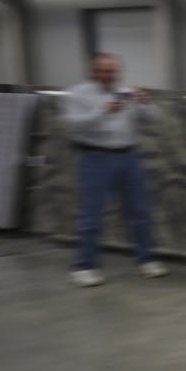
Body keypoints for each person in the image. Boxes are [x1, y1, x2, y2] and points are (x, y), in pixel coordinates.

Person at [62, 52, 168, 286]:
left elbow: (155, 119)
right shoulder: (78, 94)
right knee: (92, 215)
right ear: (93, 72)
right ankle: (84, 266)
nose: (111, 76)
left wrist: (146, 103)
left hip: (129, 157)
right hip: (96, 158)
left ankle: (146, 260)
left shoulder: (126, 93)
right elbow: (72, 125)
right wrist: (103, 111)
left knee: (140, 212)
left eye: (114, 71)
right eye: (106, 71)